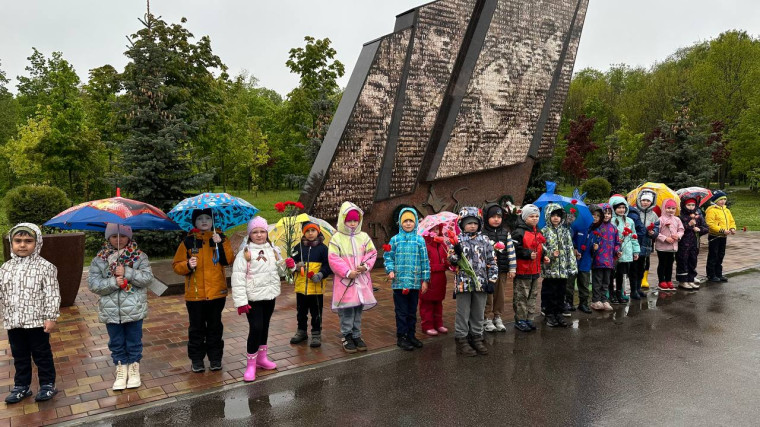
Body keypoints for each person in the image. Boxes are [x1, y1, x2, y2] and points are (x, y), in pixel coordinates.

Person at [88, 224, 153, 390]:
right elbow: (93, 284)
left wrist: (128, 272)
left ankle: (133, 368)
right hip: (110, 310)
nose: (118, 239)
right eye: (114, 236)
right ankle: (121, 367)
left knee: (133, 340)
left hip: (133, 308)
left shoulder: (139, 257)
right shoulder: (99, 259)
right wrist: (113, 282)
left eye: (123, 236)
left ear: (129, 237)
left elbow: (147, 279)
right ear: (108, 238)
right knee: (116, 341)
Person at [0, 223, 60, 404]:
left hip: (37, 322)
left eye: (28, 241)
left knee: (41, 354)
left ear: (37, 243)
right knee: (19, 355)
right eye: (18, 241)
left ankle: (48, 384)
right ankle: (22, 386)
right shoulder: (5, 268)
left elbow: (52, 293)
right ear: (11, 243)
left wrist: (51, 316)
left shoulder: (46, 267)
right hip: (14, 321)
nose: (23, 245)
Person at [172, 209, 234, 373]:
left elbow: (228, 260)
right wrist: (187, 265)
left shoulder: (221, 238)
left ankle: (215, 358)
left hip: (216, 293)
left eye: (208, 218)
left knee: (214, 327)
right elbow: (177, 265)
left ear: (213, 221)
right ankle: (197, 359)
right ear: (194, 223)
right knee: (196, 328)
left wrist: (219, 243)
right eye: (200, 219)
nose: (204, 221)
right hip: (195, 295)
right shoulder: (188, 242)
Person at [232, 216, 291, 382]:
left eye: (262, 231)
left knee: (264, 327)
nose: (259, 235)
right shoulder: (245, 253)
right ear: (250, 234)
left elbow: (279, 274)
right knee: (256, 328)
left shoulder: (273, 251)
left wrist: (286, 265)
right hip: (253, 299)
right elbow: (237, 279)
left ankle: (262, 359)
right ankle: (250, 364)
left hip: (269, 296)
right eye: (255, 232)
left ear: (267, 233)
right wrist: (241, 302)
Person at [329, 202, 378, 353]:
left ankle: (357, 335)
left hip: (361, 281)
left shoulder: (363, 237)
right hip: (346, 282)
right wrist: (347, 272)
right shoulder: (337, 238)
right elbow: (333, 259)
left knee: (358, 309)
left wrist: (365, 266)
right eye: (349, 220)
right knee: (347, 310)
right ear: (343, 220)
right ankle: (347, 335)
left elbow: (372, 253)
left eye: (355, 220)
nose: (352, 223)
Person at [449, 207, 498, 355]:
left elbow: (492, 260)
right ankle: (461, 338)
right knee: (463, 312)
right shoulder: (457, 240)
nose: (472, 226)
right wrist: (456, 253)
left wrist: (492, 280)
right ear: (462, 224)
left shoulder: (485, 240)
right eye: (469, 223)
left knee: (478, 311)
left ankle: (477, 336)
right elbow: (451, 262)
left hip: (481, 283)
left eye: (475, 223)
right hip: (464, 283)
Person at [384, 208, 430, 351]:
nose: (408, 224)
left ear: (415, 222)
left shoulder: (419, 240)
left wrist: (425, 279)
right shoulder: (395, 239)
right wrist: (390, 270)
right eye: (405, 221)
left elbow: (424, 260)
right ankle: (402, 336)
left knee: (411, 311)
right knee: (401, 311)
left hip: (415, 282)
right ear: (400, 223)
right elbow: (388, 257)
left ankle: (411, 335)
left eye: (411, 221)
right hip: (399, 283)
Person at [289, 222, 332, 348]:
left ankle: (316, 333)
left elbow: (328, 265)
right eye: (307, 231)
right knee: (301, 311)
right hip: (301, 287)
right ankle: (301, 331)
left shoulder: (323, 249)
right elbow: (290, 263)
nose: (310, 233)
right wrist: (295, 267)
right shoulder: (298, 248)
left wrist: (321, 274)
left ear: (318, 232)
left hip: (316, 287)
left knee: (316, 312)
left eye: (313, 230)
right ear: (304, 233)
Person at [541, 203, 578, 327]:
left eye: (558, 215)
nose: (556, 218)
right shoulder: (544, 231)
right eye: (553, 215)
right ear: (548, 216)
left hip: (562, 270)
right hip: (550, 270)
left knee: (560, 292)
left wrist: (572, 266)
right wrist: (551, 254)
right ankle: (549, 314)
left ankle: (558, 313)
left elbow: (569, 249)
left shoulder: (565, 232)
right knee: (549, 292)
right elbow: (542, 249)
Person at [482, 203, 517, 332]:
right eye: (493, 217)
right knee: (488, 294)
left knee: (500, 294)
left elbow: (511, 252)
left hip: (502, 270)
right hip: (487, 271)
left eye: (499, 216)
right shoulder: (483, 233)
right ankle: (485, 318)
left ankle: (498, 316)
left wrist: (512, 268)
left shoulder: (505, 233)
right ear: (486, 218)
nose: (496, 219)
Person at [512, 204, 545, 332]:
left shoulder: (538, 230)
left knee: (532, 296)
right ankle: (520, 319)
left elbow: (541, 247)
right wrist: (526, 254)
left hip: (535, 271)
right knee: (521, 296)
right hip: (523, 270)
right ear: (525, 217)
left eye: (537, 216)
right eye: (531, 216)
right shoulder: (519, 232)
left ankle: (529, 318)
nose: (535, 219)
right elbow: (514, 249)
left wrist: (544, 257)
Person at [609, 195, 641, 302]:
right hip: (614, 253)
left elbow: (633, 237)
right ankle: (610, 293)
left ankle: (619, 293)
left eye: (623, 207)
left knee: (621, 274)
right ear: (613, 208)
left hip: (626, 252)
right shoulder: (611, 221)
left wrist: (636, 251)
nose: (621, 210)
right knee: (611, 274)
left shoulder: (630, 221)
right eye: (619, 207)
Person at [420, 225, 450, 336]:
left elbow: (446, 260)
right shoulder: (424, 244)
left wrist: (450, 263)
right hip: (428, 278)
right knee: (427, 303)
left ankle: (438, 323)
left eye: (437, 229)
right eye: (431, 229)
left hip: (440, 278)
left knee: (438, 302)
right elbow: (422, 263)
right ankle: (427, 325)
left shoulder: (442, 245)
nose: (435, 232)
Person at [589, 204, 618, 311]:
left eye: (609, 213)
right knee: (597, 281)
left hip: (609, 260)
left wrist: (617, 250)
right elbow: (590, 241)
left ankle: (604, 299)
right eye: (604, 213)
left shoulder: (613, 228)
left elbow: (617, 242)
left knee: (606, 281)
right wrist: (593, 247)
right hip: (598, 259)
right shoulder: (595, 227)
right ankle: (595, 300)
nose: (606, 215)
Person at [629, 190, 659, 293]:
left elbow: (657, 227)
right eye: (644, 200)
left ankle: (638, 287)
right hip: (636, 243)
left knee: (642, 266)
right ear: (639, 200)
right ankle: (633, 289)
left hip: (646, 243)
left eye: (648, 200)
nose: (645, 202)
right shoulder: (635, 212)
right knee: (634, 267)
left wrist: (653, 232)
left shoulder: (654, 215)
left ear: (652, 202)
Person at [676, 198, 708, 289]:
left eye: (693, 205)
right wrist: (688, 225)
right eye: (688, 205)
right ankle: (683, 281)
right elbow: (678, 229)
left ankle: (690, 279)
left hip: (694, 243)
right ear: (684, 205)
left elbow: (706, 228)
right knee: (683, 261)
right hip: (683, 244)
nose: (691, 207)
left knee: (692, 261)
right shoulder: (680, 216)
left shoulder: (698, 216)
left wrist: (700, 229)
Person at [705, 191, 736, 282]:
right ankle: (711, 274)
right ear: (715, 200)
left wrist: (732, 228)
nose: (723, 201)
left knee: (721, 255)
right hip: (715, 236)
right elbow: (710, 224)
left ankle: (719, 273)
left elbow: (731, 221)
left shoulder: (726, 210)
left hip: (723, 236)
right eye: (721, 199)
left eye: (724, 199)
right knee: (713, 255)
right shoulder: (711, 210)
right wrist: (722, 230)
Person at [567, 204, 592, 314]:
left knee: (584, 283)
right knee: (570, 283)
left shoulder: (595, 230)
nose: (594, 217)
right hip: (574, 259)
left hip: (586, 261)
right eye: (592, 215)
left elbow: (595, 247)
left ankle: (583, 304)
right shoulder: (576, 226)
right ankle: (569, 302)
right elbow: (570, 239)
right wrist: (575, 248)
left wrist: (595, 247)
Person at [655, 199, 684, 290]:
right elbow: (656, 233)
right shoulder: (660, 219)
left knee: (670, 264)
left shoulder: (677, 219)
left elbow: (681, 230)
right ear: (664, 208)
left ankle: (668, 280)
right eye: (668, 208)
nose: (670, 210)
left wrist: (678, 236)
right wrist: (665, 238)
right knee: (662, 263)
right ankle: (661, 281)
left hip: (672, 247)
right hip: (662, 247)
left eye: (673, 208)